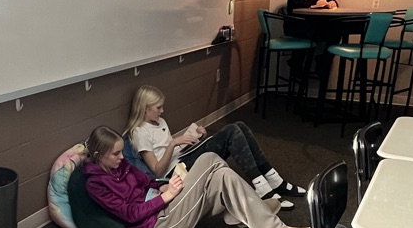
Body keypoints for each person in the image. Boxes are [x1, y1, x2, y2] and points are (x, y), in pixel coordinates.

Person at [83, 126, 312, 228]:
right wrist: (166, 196)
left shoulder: (119, 164)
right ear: (98, 156)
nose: (122, 158)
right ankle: (267, 226)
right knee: (210, 158)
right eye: (115, 154)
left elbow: (146, 182)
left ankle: (251, 217)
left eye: (121, 152)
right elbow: (130, 215)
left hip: (165, 203)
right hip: (161, 222)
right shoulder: (95, 184)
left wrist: (161, 186)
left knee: (222, 174)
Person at [125, 85, 306, 208]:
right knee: (232, 131)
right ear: (144, 108)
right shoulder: (140, 132)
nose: (162, 111)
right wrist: (173, 143)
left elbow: (171, 150)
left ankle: (274, 180)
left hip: (182, 158)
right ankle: (263, 187)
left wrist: (194, 138)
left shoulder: (160, 121)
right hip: (175, 173)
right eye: (158, 108)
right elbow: (157, 171)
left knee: (240, 125)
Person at [286, 0, 341, 82]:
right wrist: (314, 4)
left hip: (321, 25)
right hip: (302, 25)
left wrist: (332, 3)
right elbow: (293, 5)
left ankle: (323, 60)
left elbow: (333, 1)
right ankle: (297, 63)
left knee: (337, 32)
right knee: (307, 33)